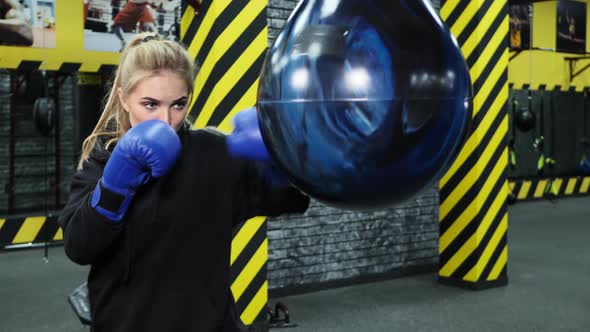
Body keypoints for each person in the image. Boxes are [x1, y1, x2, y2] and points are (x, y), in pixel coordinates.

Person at [58, 33, 310, 332]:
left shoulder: (216, 153)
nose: (166, 119)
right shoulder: (103, 160)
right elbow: (79, 247)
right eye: (150, 104)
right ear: (124, 98)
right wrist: (115, 184)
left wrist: (285, 160)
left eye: (178, 104)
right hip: (126, 323)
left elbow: (294, 200)